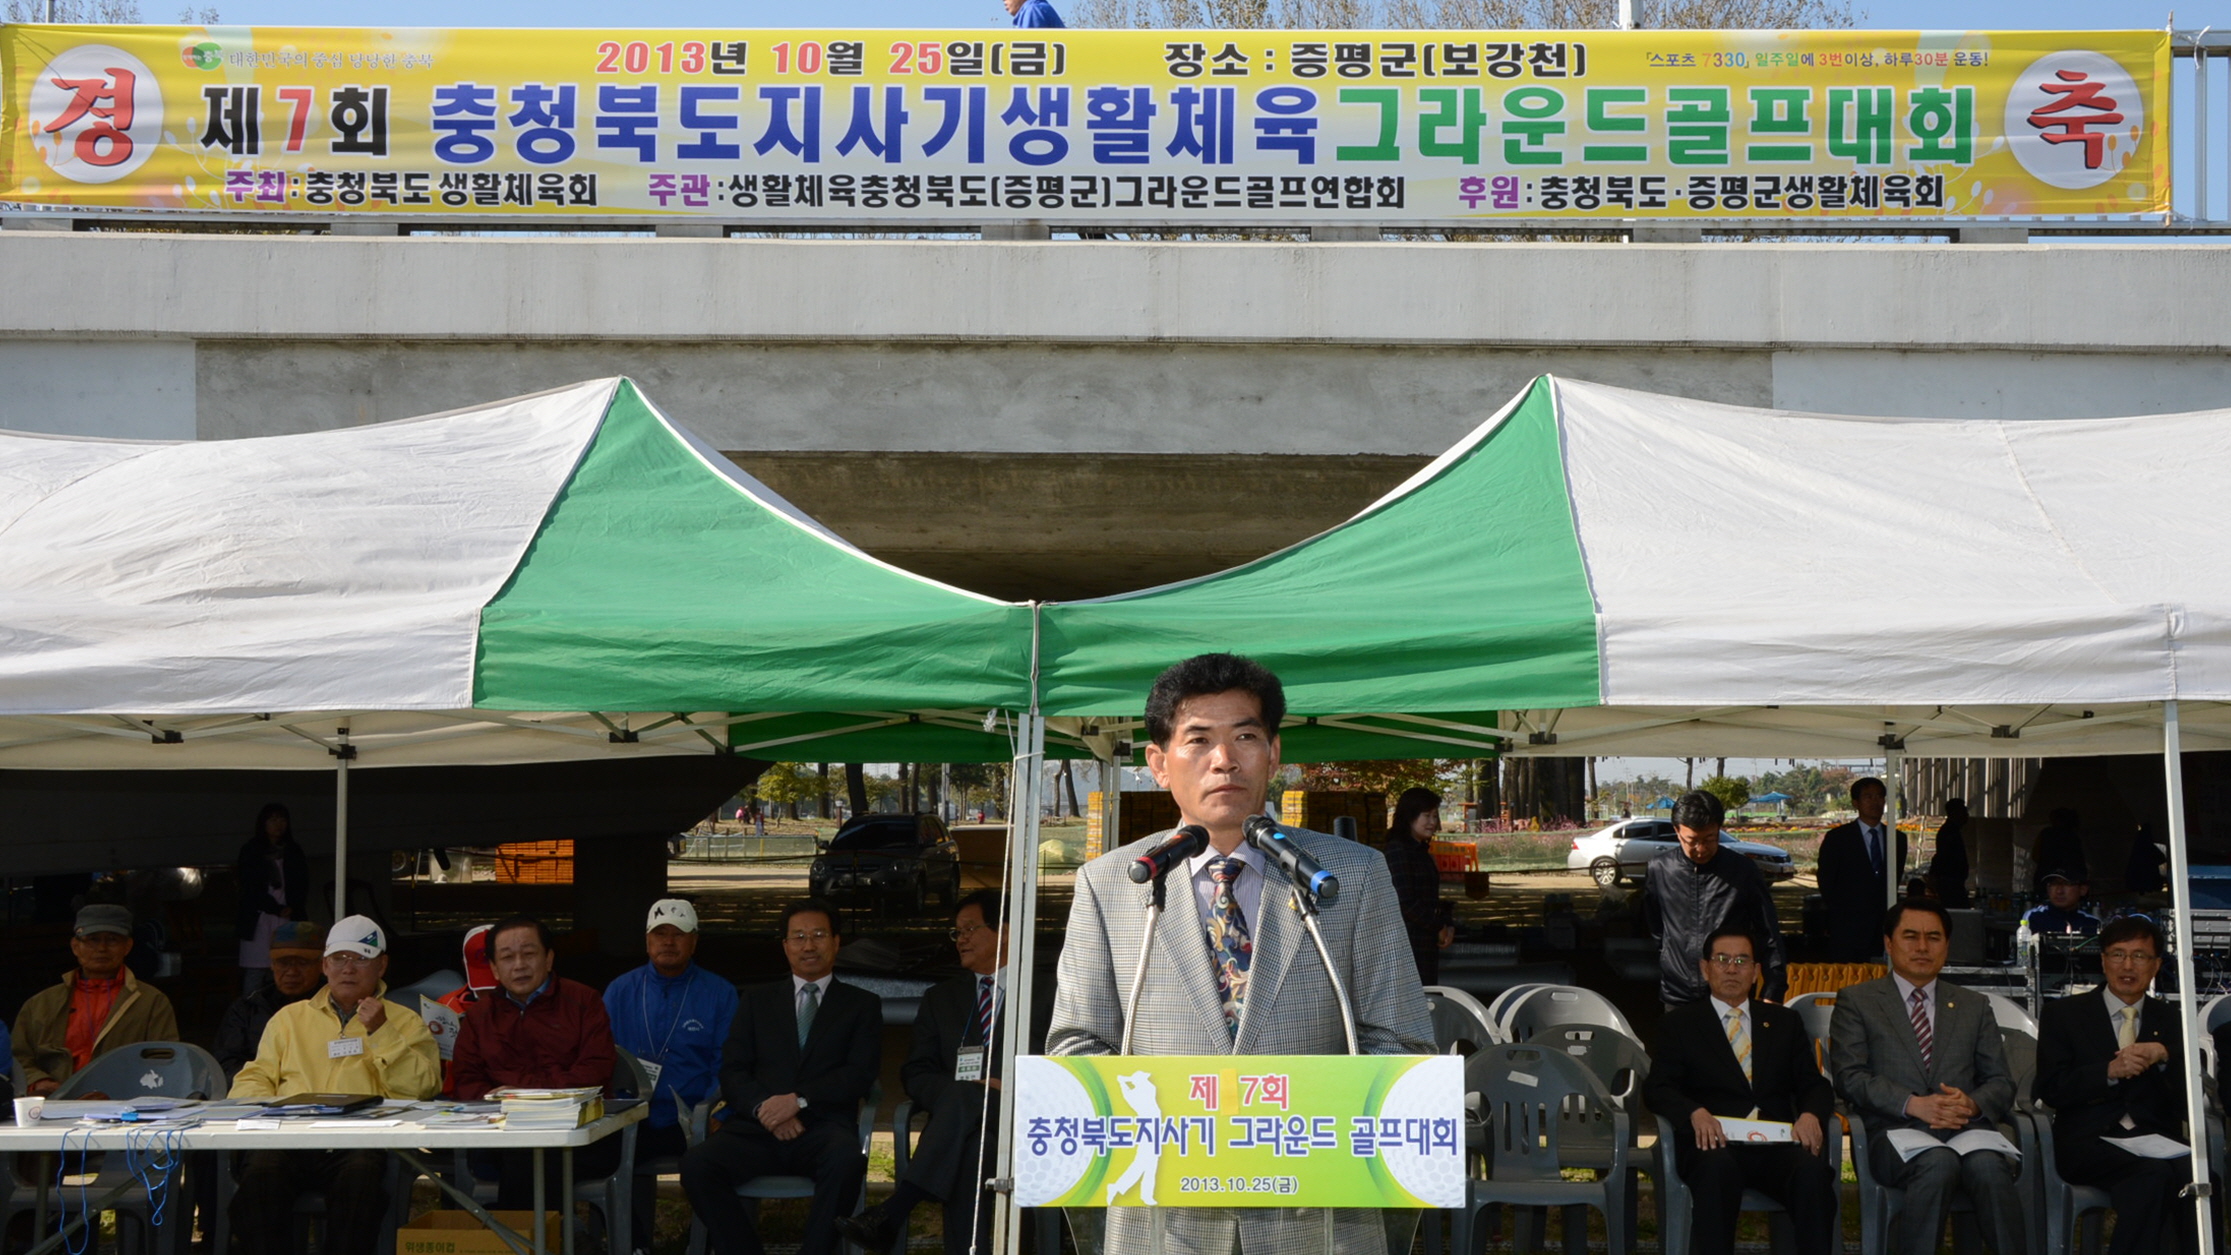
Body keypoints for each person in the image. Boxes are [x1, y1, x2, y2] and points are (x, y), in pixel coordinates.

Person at [1045, 652, 1433, 1255]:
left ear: (1273, 754)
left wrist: (1306, 1125)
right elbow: (1077, 1045)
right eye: (1198, 740)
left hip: (1316, 1214)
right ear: (1158, 763)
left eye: (1245, 737)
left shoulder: (1351, 875)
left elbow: (1401, 1039)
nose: (1223, 759)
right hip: (1165, 1220)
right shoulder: (1112, 882)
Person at [839, 890, 1051, 1255]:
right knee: (973, 1149)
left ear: (1004, 932)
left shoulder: (1047, 991)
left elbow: (1066, 1062)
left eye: (969, 929)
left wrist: (1013, 1086)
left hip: (1026, 1116)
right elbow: (916, 1071)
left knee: (970, 1119)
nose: (960, 939)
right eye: (956, 932)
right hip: (963, 1127)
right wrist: (959, 1095)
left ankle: (895, 1210)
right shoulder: (941, 998)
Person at [228, 915, 441, 1255]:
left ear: (382, 966)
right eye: (340, 958)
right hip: (290, 1138)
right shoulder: (290, 1018)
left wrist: (382, 1032)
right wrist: (264, 1113)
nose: (348, 969)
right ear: (325, 965)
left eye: (361, 959)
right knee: (261, 1177)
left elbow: (423, 1088)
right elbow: (256, 1075)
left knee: (360, 1181)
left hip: (359, 1142)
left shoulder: (405, 1021)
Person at [681, 900, 879, 1255]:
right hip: (758, 1129)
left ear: (836, 942)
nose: (808, 945)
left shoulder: (861, 1004)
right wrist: (764, 1108)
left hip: (823, 1128)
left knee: (848, 1161)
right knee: (697, 1166)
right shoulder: (756, 1001)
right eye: (798, 937)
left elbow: (858, 1074)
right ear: (785, 946)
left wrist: (798, 1101)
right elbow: (733, 1069)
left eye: (818, 935)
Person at [1829, 900, 2025, 1254]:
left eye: (1933, 938)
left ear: (1946, 946)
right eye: (1911, 936)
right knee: (1937, 1163)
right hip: (1894, 1132)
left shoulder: (1973, 1005)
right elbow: (1850, 1076)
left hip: (1965, 1130)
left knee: (1990, 1169)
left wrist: (1972, 1104)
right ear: (1889, 944)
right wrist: (1913, 1104)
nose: (1922, 947)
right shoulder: (1858, 1001)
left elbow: (2000, 1081)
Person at [1644, 925, 1837, 1255]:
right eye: (1722, 960)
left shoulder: (1783, 1022)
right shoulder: (1680, 1024)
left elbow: (1813, 1084)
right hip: (1714, 1145)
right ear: (1705, 968)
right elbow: (1658, 1087)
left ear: (1756, 971)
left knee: (1812, 1173)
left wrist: (1809, 1115)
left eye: (1741, 961)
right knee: (1716, 1172)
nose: (1731, 969)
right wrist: (1694, 1112)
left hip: (1775, 1145)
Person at [2036, 915, 2200, 1255]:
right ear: (2103, 961)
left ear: (2156, 965)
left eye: (2139, 956)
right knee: (2152, 1176)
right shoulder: (2063, 1014)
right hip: (2087, 1141)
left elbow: (2190, 1099)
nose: (2127, 966)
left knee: (2200, 1174)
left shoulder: (2172, 1020)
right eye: (2118, 954)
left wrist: (2165, 1055)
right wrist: (2108, 1072)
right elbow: (2051, 1089)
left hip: (2155, 1138)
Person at [453, 915, 619, 1210]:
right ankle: (541, 1232)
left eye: (529, 954)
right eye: (507, 957)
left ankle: (524, 1234)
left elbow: (595, 1070)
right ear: (494, 968)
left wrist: (524, 1096)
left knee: (533, 1157)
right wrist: (505, 1104)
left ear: (549, 959)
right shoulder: (479, 1016)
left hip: (576, 1132)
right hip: (502, 1133)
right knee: (521, 1154)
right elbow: (467, 1080)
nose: (519, 965)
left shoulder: (584, 1002)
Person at [605, 898, 738, 1255]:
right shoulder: (620, 991)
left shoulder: (720, 993)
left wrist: (717, 1113)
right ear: (647, 941)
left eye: (678, 934)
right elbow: (601, 1059)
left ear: (694, 941)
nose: (668, 942)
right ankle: (632, 1245)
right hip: (633, 1116)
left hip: (697, 1117)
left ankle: (707, 1245)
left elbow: (728, 1063)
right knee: (597, 1155)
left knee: (722, 1160)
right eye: (660, 933)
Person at [1641, 790, 1787, 1009]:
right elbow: (1655, 926)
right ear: (1677, 831)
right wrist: (1669, 957)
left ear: (1719, 828)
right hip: (1678, 992)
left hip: (1732, 991)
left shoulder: (1742, 870)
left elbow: (1768, 932)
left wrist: (1773, 989)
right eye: (1692, 841)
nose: (1701, 849)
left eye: (1710, 839)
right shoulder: (1660, 869)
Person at [14, 904, 179, 1096]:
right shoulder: (40, 1004)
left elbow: (164, 1059)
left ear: (127, 946)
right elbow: (18, 1057)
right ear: (75, 946)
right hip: (54, 1101)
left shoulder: (151, 1002)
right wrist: (40, 1081)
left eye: (112, 940)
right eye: (92, 940)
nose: (102, 948)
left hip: (124, 1103)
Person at [215, 921, 324, 1081]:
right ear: (272, 964)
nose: (292, 972)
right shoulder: (249, 1007)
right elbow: (227, 1063)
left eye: (302, 963)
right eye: (283, 963)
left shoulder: (335, 1006)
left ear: (322, 965)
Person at [1816, 776, 1908, 962]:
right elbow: (1827, 881)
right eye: (1868, 797)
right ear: (1855, 803)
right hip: (1847, 929)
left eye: (1879, 796)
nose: (1875, 802)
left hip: (1883, 928)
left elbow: (1893, 879)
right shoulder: (1838, 838)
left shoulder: (1897, 839)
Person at [1382, 786, 1455, 985]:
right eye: (1427, 816)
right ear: (1410, 816)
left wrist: (1447, 923)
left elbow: (1430, 897)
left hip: (1425, 942)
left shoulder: (1421, 851)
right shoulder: (1398, 850)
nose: (1433, 822)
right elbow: (1404, 901)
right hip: (1407, 943)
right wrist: (1437, 926)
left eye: (1435, 816)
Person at [236, 802, 310, 996]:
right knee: (257, 969)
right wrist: (273, 907)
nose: (278, 824)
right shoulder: (252, 850)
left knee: (288, 968)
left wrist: (293, 906)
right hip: (260, 917)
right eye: (273, 820)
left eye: (282, 820)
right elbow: (249, 886)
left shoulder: (293, 850)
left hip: (288, 917)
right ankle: (251, 1009)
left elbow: (301, 883)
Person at [428, 922, 497, 1095]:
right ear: (464, 965)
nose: (490, 992)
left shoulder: (530, 1005)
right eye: (483, 984)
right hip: (456, 1100)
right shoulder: (445, 1006)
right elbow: (434, 1072)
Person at [2022, 870, 2101, 936]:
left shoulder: (2092, 923)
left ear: (2083, 890)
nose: (2059, 891)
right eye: (2054, 884)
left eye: (2067, 884)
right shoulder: (2035, 917)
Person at [2033, 807, 2088, 893]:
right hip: (2064, 875)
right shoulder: (2074, 836)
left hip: (2048, 875)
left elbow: (2035, 856)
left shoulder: (2047, 834)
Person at [1931, 798, 1972, 909]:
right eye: (1964, 811)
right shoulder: (1949, 833)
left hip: (1952, 882)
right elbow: (1945, 857)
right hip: (1951, 883)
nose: (1967, 815)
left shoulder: (1951, 831)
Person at [2123, 822, 2167, 895]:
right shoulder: (2148, 847)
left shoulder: (2137, 847)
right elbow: (2161, 858)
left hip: (2140, 881)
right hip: (2147, 880)